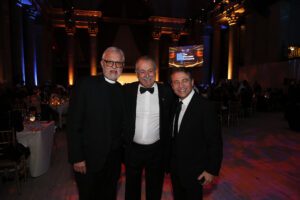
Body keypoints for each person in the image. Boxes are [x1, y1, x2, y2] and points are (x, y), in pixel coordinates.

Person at [67, 46, 125, 200]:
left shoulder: (122, 91)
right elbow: (73, 123)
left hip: (113, 162)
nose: (114, 67)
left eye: (118, 63)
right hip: (88, 160)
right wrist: (77, 157)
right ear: (101, 63)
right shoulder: (85, 85)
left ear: (122, 66)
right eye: (110, 62)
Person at [123, 56, 174, 200]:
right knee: (131, 188)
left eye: (150, 71)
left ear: (156, 72)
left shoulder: (167, 92)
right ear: (137, 73)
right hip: (133, 149)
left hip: (157, 150)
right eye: (142, 71)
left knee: (155, 188)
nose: (147, 75)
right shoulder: (127, 91)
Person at [169, 67, 223, 200]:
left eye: (184, 81)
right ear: (172, 85)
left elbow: (215, 142)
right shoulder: (175, 104)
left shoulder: (205, 107)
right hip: (176, 171)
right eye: (176, 82)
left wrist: (211, 170)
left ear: (192, 82)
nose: (180, 86)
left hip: (196, 172)